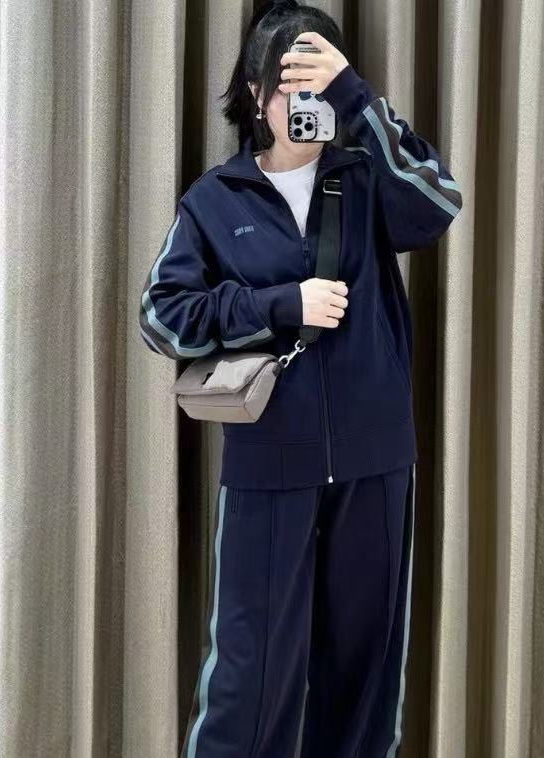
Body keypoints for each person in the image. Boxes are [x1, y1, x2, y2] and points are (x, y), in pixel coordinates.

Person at [139, 1, 462, 755]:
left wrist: (358, 97)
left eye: (319, 86)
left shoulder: (368, 180)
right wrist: (279, 305)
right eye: (290, 87)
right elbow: (162, 318)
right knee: (246, 679)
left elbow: (438, 204)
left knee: (365, 675)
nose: (304, 104)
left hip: (375, 461)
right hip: (268, 464)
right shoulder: (215, 200)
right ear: (257, 96)